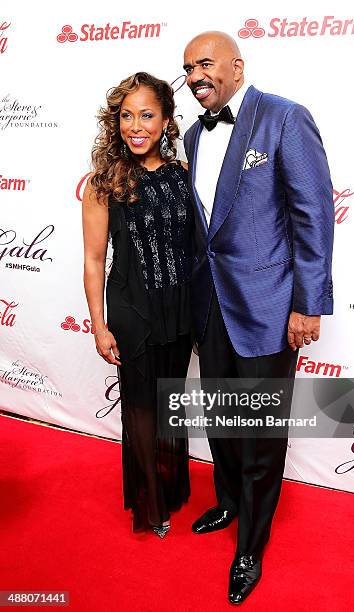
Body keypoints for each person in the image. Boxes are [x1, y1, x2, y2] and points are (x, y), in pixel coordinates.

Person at [182, 32, 334, 603]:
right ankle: (227, 501)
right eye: (187, 67)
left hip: (270, 305)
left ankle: (252, 542)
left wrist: (307, 302)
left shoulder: (285, 118)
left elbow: (314, 215)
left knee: (261, 431)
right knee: (221, 417)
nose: (195, 74)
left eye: (205, 63)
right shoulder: (195, 136)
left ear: (236, 66)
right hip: (211, 305)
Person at [82, 72, 194, 539]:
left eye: (147, 115)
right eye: (127, 115)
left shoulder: (183, 175)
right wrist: (99, 326)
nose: (135, 125)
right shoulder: (102, 182)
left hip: (180, 307)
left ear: (166, 120)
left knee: (170, 400)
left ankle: (169, 486)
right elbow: (93, 259)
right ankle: (151, 503)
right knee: (142, 407)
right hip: (132, 310)